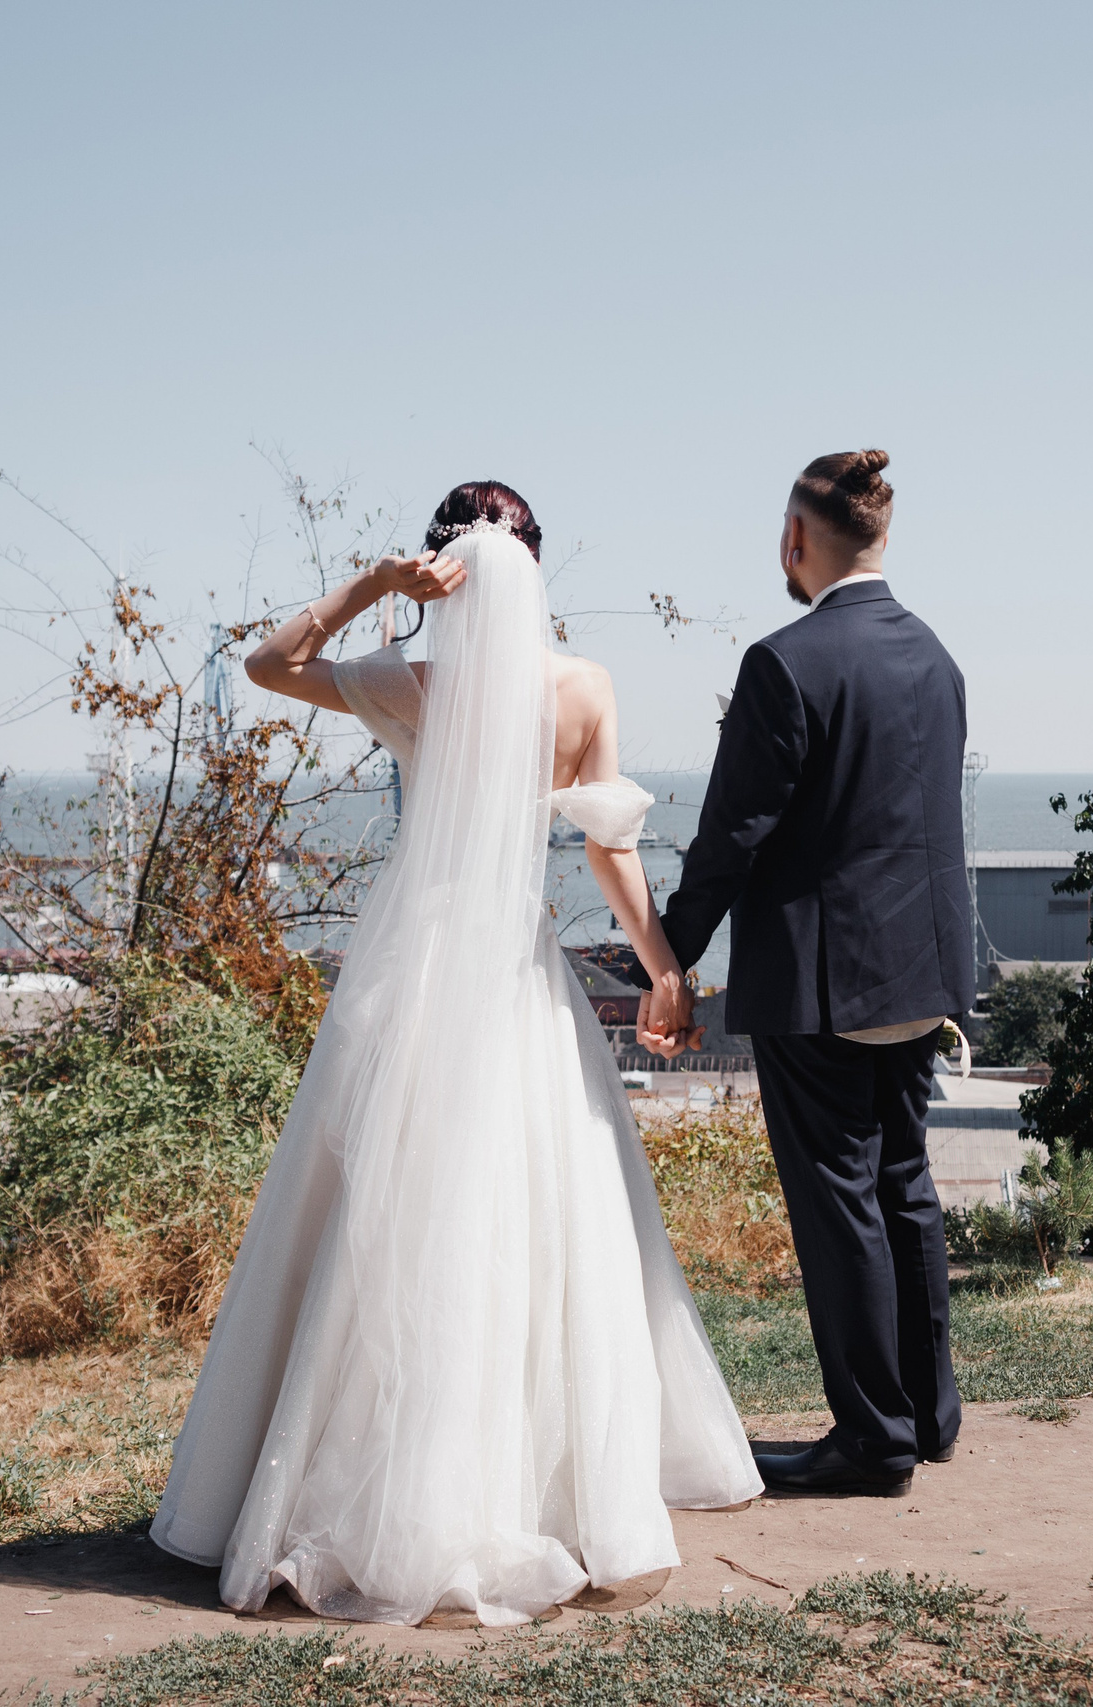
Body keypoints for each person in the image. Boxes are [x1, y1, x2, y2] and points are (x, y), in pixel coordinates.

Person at [148, 481, 762, 1626]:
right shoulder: (582, 689)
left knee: (396, 1215)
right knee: (533, 1212)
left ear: (448, 569)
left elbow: (268, 665)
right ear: (538, 567)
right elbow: (605, 849)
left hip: (417, 963)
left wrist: (375, 587)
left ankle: (387, 1483)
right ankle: (543, 1488)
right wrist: (662, 967)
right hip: (518, 972)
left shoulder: (408, 683)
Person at [656, 450, 974, 1498]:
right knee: (904, 1187)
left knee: (840, 1202)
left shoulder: (782, 662)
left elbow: (733, 831)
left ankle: (873, 1439)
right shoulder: (936, 658)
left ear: (797, 542)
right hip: (920, 973)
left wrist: (672, 948)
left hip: (821, 982)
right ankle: (927, 1416)